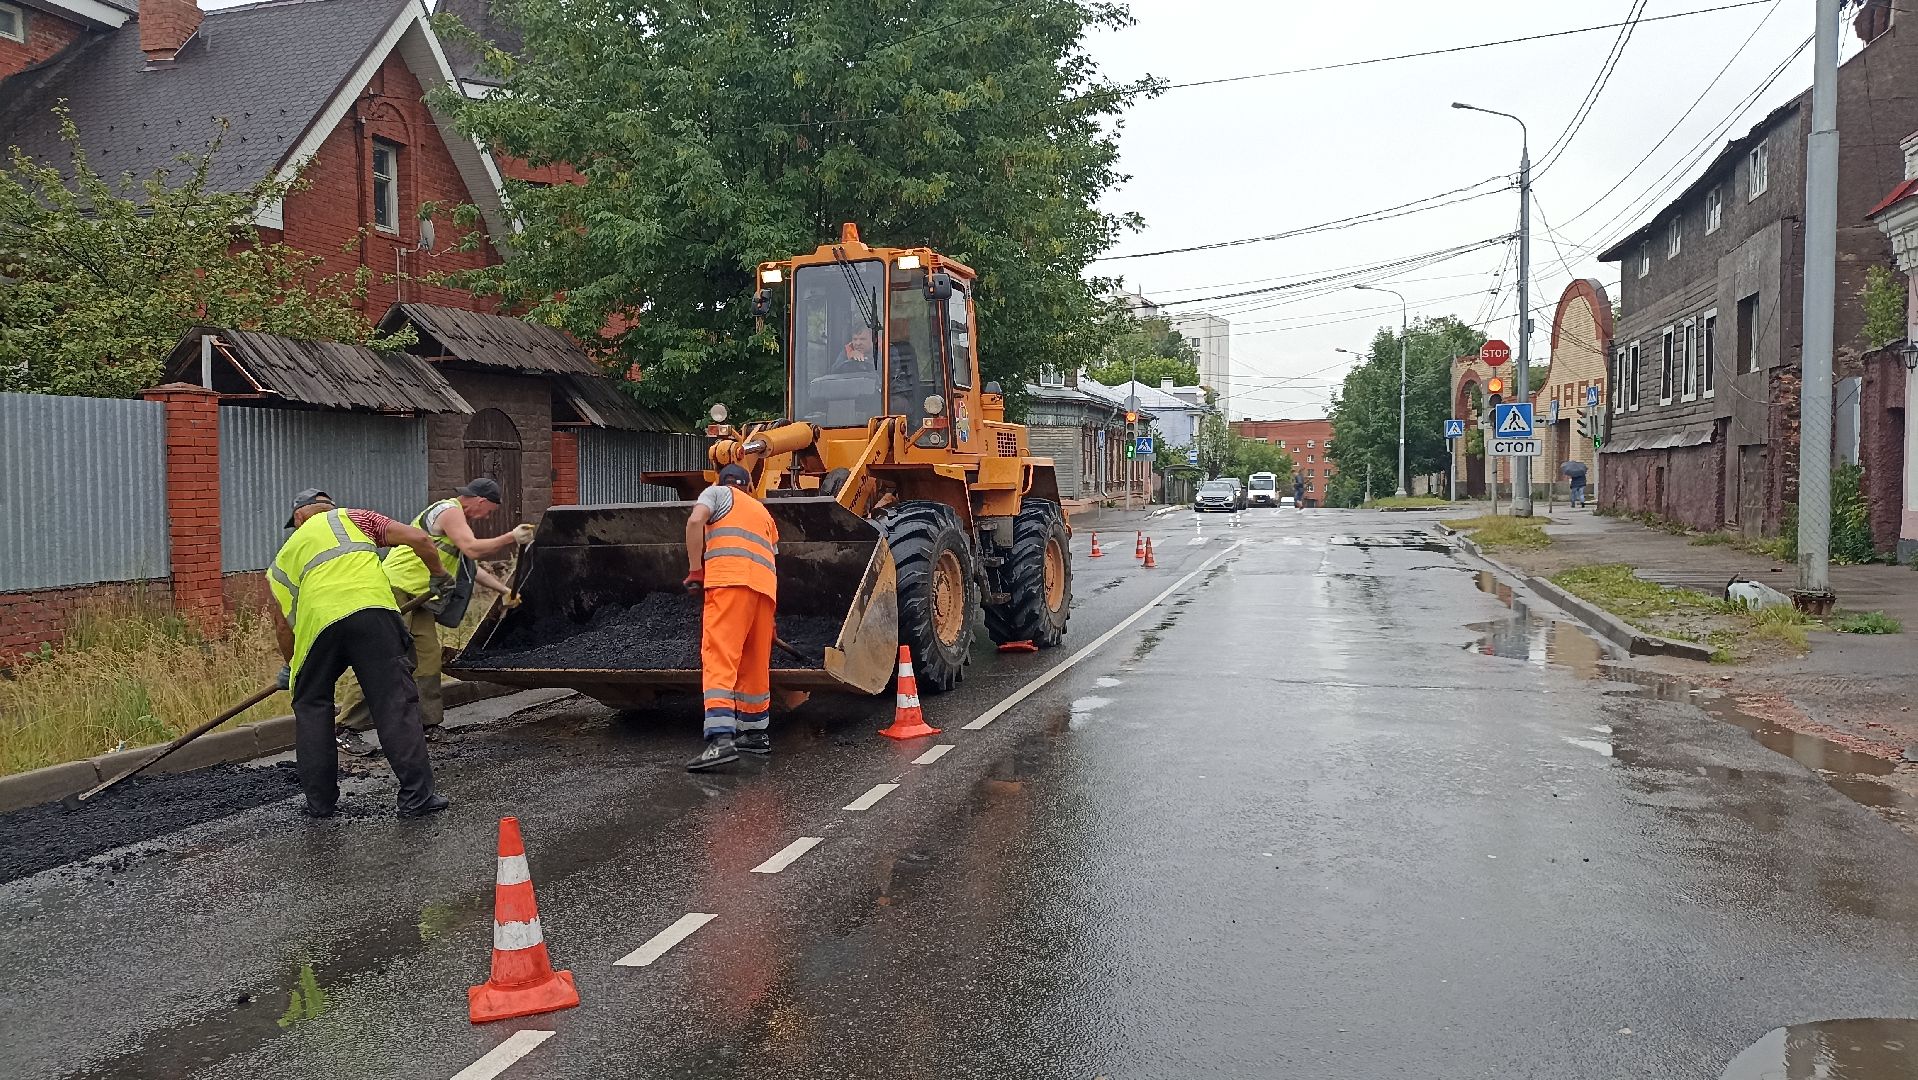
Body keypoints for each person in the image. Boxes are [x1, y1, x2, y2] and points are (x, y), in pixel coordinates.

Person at [267, 489, 451, 818]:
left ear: (298, 518)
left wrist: (293, 667)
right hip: (373, 616)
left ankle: (320, 805)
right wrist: (438, 575)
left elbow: (283, 625)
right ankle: (417, 799)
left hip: (318, 632)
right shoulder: (355, 518)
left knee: (311, 708)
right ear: (329, 509)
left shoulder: (282, 558)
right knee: (394, 702)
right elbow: (420, 538)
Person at [334, 478, 532, 754]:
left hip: (421, 601)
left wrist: (505, 591)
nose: (487, 516)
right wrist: (512, 537)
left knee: (428, 658)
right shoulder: (448, 511)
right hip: (396, 590)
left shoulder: (456, 522)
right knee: (383, 658)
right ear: (481, 501)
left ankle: (428, 727)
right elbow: (473, 549)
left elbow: (470, 567)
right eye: (489, 510)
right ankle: (345, 729)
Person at [683, 464, 779, 771]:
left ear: (721, 481)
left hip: (729, 584)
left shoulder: (716, 493)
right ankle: (754, 734)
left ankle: (721, 740)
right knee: (754, 661)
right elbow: (773, 556)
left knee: (720, 656)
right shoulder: (764, 514)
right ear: (750, 486)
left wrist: (696, 569)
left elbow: (695, 520)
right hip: (764, 592)